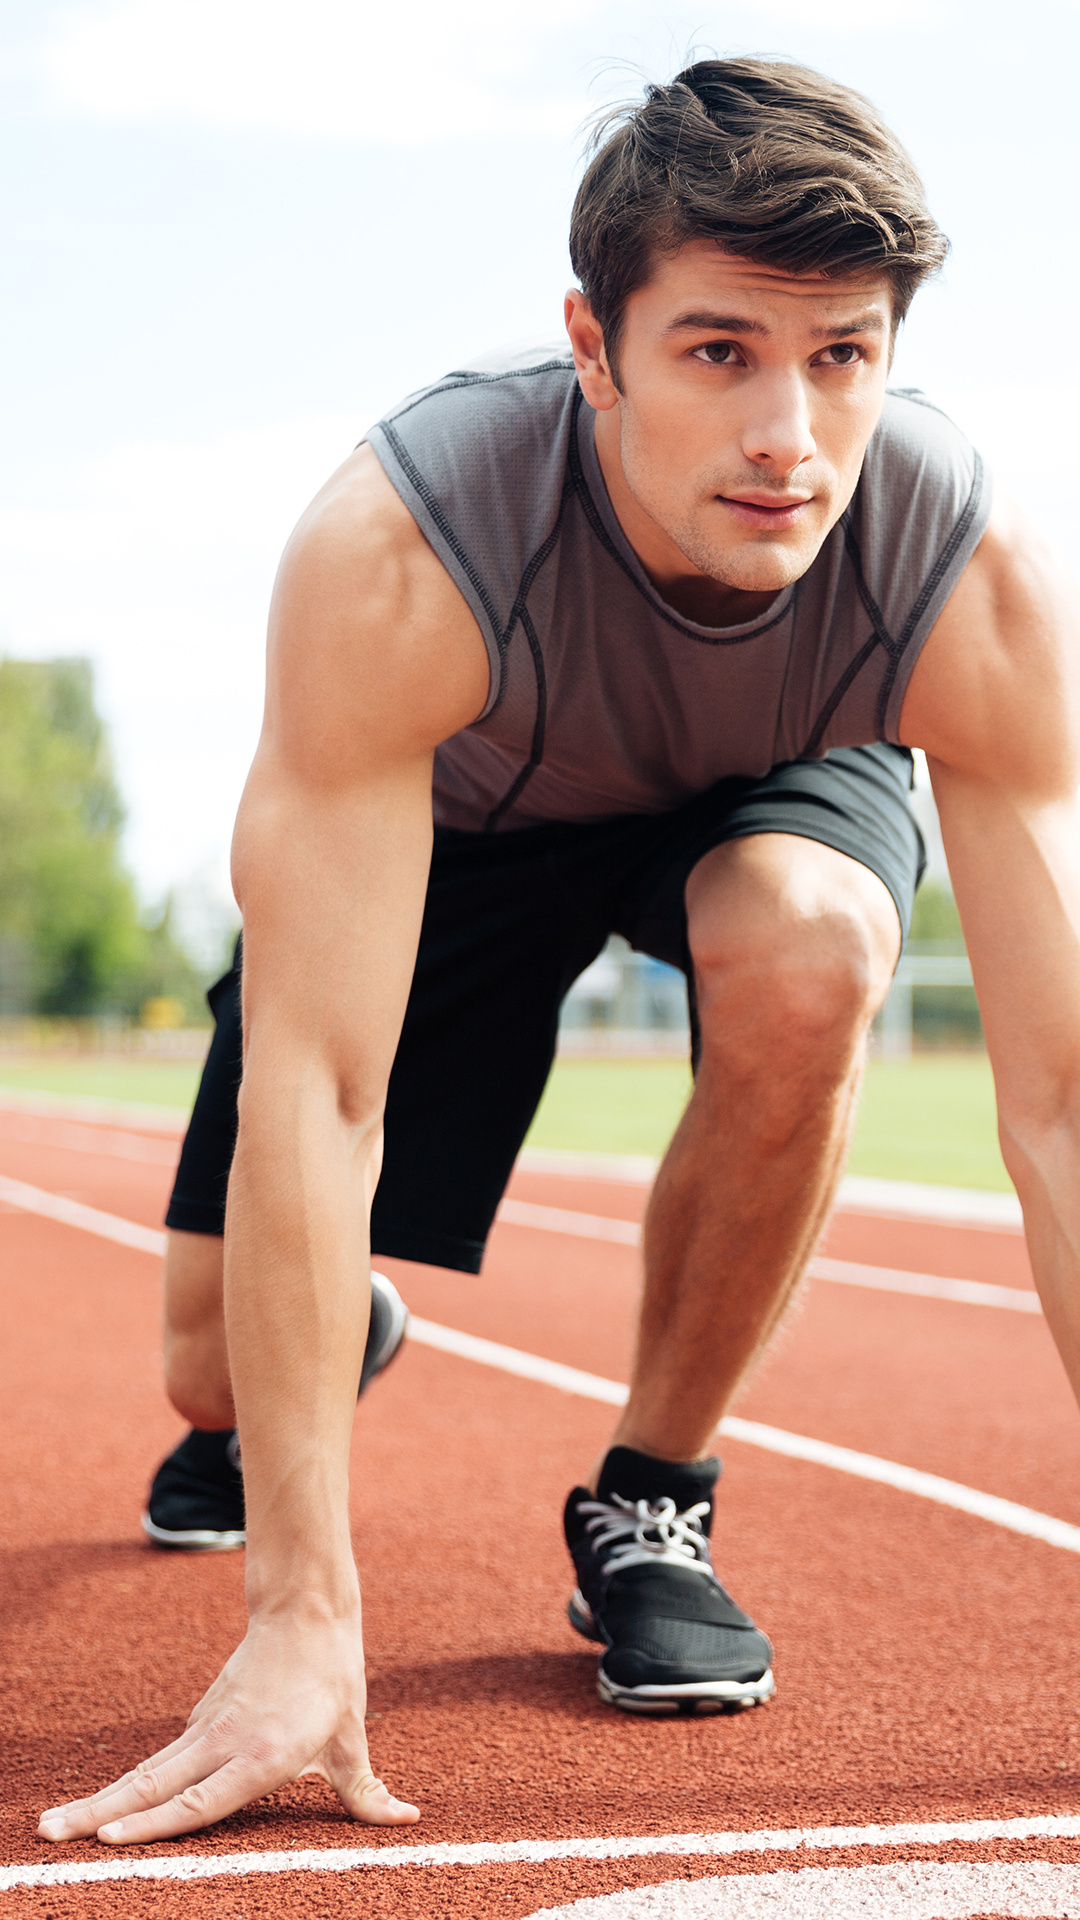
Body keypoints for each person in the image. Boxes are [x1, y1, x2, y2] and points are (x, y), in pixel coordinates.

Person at [39, 56, 1080, 1846]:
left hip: (772, 784)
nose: (790, 438)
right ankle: (326, 1334)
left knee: (818, 943)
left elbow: (1062, 1100)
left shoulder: (954, 573)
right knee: (211, 1372)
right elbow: (323, 1078)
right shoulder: (407, 544)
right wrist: (302, 1611)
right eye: (718, 352)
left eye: (843, 356)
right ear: (592, 343)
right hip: (467, 823)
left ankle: (653, 1498)